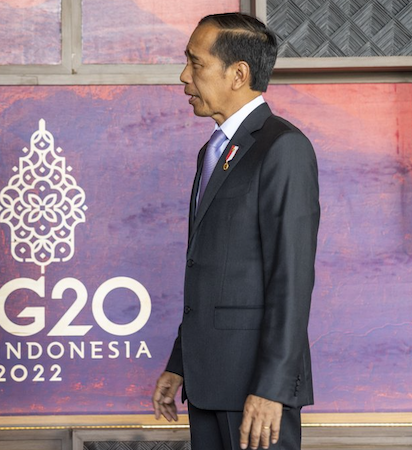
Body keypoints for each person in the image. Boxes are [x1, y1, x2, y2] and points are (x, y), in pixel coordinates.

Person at [151, 13, 320, 450]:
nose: (184, 76)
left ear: (238, 73)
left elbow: (291, 278)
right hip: (208, 382)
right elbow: (211, 274)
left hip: (255, 391)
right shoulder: (213, 150)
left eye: (196, 63)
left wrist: (273, 388)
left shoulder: (283, 148)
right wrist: (181, 363)